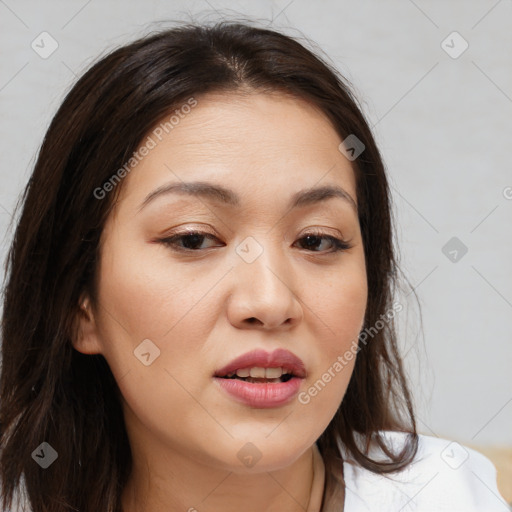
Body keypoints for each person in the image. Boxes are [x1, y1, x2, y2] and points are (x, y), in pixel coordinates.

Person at [0, 20, 507, 512]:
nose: (269, 301)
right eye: (194, 239)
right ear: (78, 304)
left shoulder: (445, 496)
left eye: (317, 239)